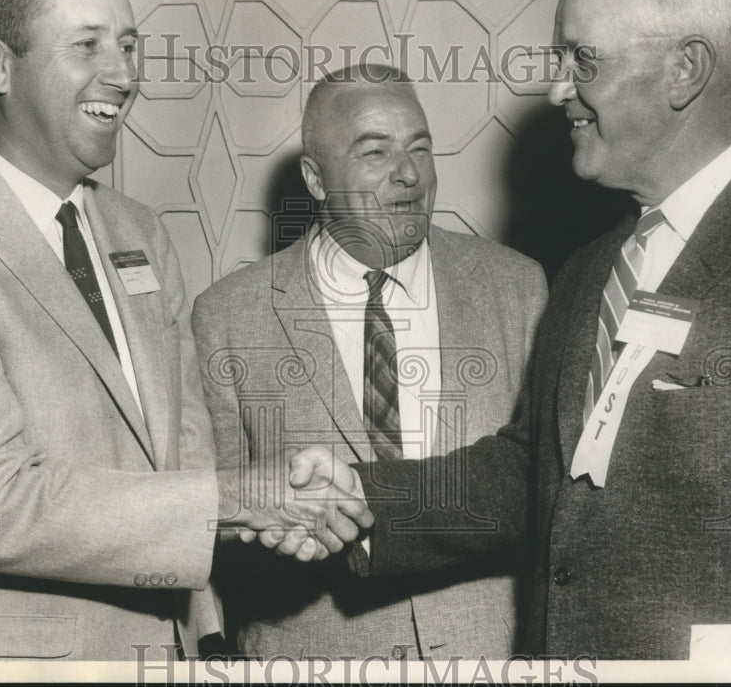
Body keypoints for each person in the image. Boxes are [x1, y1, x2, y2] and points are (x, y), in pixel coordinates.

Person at [284, 0, 731, 660]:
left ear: (686, 71)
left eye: (585, 59)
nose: (557, 88)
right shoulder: (586, 271)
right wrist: (362, 497)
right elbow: (536, 472)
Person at [0, 0, 369, 662]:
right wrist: (240, 498)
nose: (123, 75)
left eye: (130, 44)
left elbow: (186, 457)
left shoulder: (139, 232)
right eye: (88, 45)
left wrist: (210, 624)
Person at [191, 64, 547, 660]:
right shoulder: (228, 315)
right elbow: (209, 518)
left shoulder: (517, 287)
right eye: (374, 152)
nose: (408, 174)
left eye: (420, 148)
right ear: (315, 177)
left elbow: (542, 485)